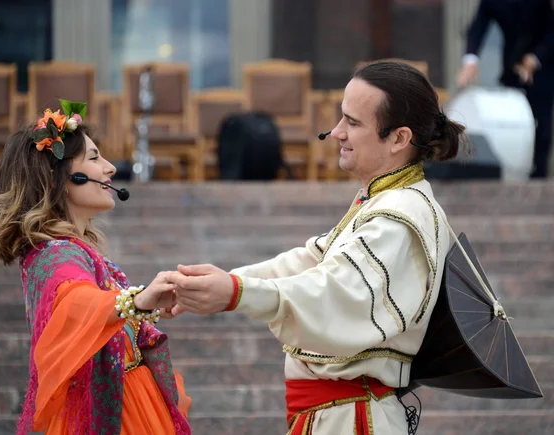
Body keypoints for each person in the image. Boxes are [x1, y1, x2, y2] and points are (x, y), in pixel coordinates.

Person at [166, 61, 465, 434]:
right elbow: (311, 261)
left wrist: (235, 293)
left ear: (399, 138)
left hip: (353, 418)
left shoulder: (399, 215)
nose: (336, 132)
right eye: (341, 119)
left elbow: (332, 294)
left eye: (353, 123)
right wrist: (215, 282)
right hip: (340, 412)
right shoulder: (386, 200)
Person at [0, 100, 192, 435]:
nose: (110, 169)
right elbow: (75, 304)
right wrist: (139, 301)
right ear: (62, 177)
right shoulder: (57, 255)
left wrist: (143, 309)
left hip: (132, 402)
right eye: (94, 158)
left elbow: (97, 313)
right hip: (122, 414)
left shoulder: (69, 251)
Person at [457, 0, 554, 178]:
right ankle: (513, 172)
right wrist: (471, 60)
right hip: (512, 62)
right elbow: (479, 26)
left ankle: (539, 176)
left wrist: (536, 58)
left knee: (542, 123)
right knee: (513, 115)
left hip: (545, 63)